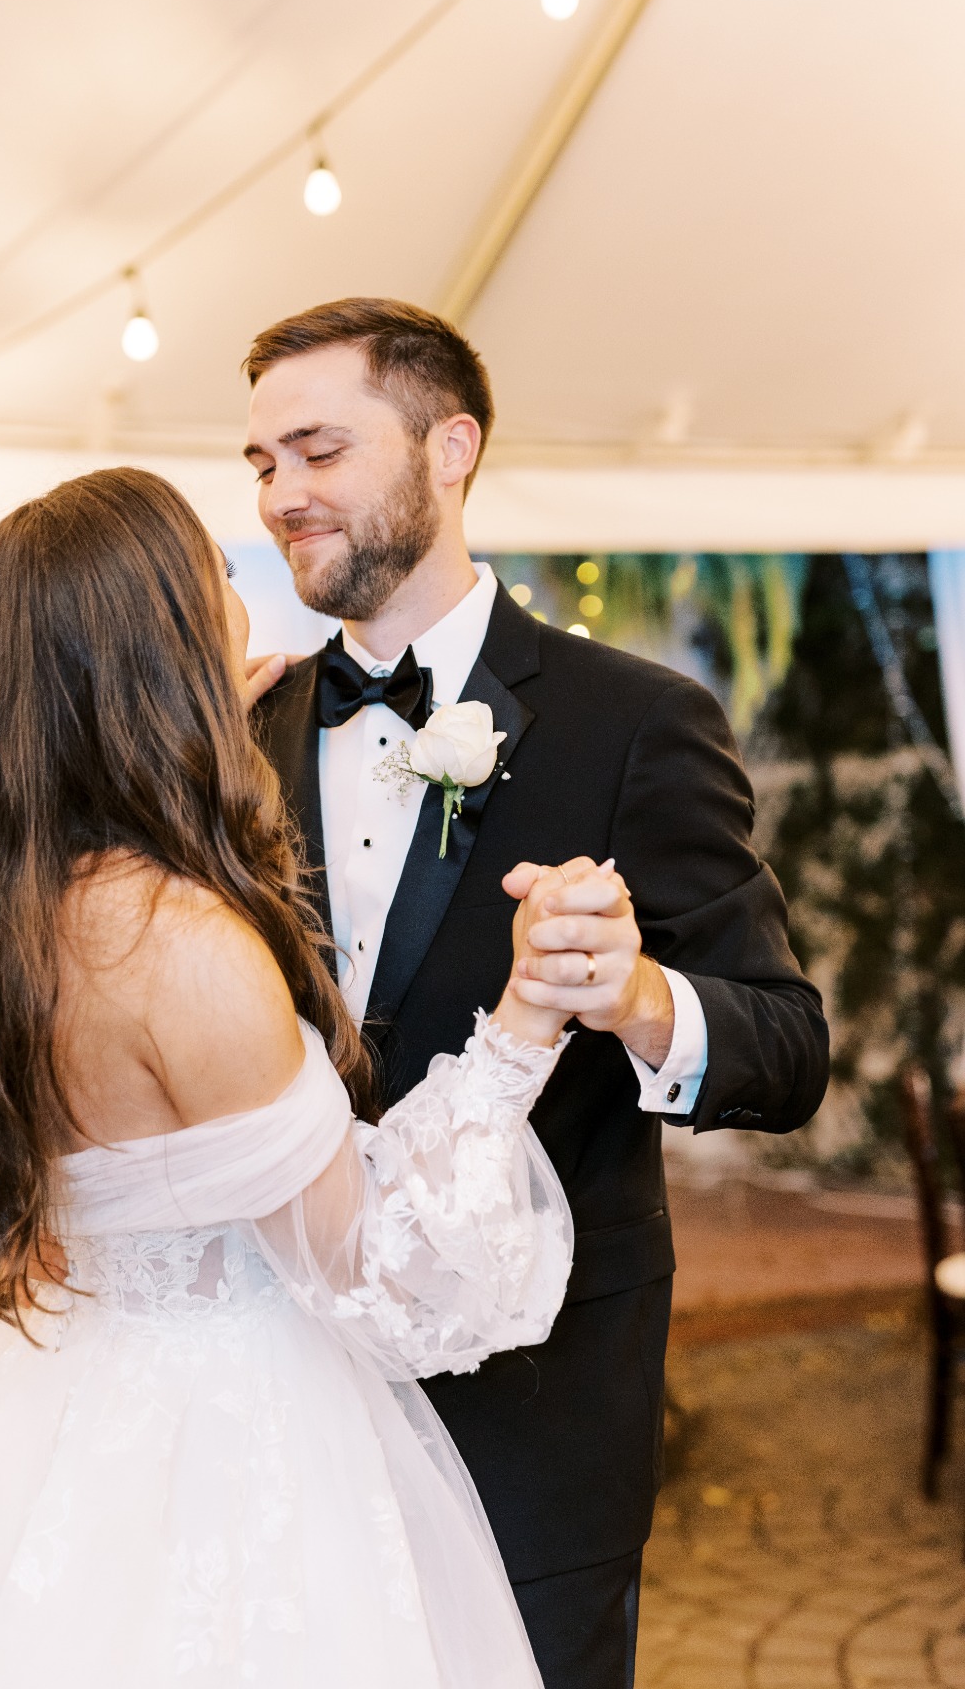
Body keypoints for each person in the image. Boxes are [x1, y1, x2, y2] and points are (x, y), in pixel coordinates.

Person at [0, 467, 583, 1689]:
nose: (243, 602)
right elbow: (379, 1274)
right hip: (234, 1446)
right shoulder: (185, 948)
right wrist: (527, 1021)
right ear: (166, 642)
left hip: (42, 1411)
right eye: (214, 577)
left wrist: (209, 764)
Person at [245, 297, 831, 1689]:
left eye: (317, 451)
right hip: (286, 1384)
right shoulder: (240, 732)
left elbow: (789, 1048)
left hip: (535, 1404)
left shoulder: (636, 722)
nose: (281, 495)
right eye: (260, 462)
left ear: (451, 448)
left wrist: (636, 999)